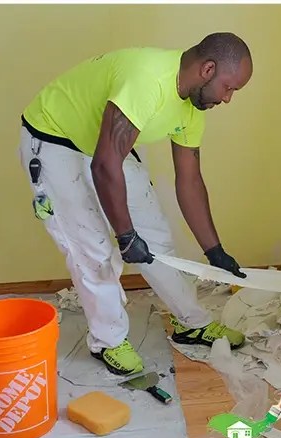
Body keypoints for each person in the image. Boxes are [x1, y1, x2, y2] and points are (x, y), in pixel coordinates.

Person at [17, 32, 253, 376]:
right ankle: (108, 341)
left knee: (155, 235)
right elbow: (104, 166)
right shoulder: (149, 81)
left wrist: (213, 249)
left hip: (104, 143)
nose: (229, 98)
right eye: (229, 88)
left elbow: (188, 180)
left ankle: (192, 323)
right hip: (53, 139)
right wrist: (125, 236)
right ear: (208, 70)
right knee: (94, 250)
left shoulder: (193, 107)